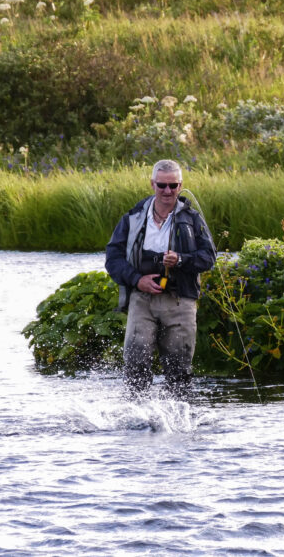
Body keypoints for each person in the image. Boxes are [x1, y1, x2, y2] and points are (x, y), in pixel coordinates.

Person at [105, 159, 216, 397]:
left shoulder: (193, 219)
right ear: (152, 184)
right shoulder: (133, 218)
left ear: (180, 186)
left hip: (180, 301)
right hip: (141, 300)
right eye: (162, 185)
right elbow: (113, 259)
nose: (167, 191)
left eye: (173, 185)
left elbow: (209, 257)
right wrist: (137, 280)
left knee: (179, 369)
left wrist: (181, 260)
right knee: (136, 363)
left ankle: (178, 415)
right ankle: (137, 414)